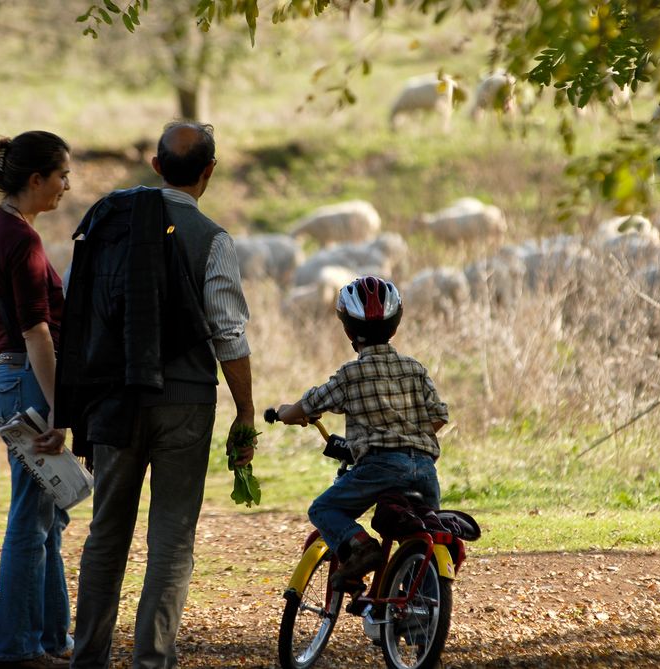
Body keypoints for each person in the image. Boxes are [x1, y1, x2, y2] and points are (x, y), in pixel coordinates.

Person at [56, 121, 256, 669]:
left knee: (106, 532)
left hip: (114, 401)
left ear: (157, 166)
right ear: (208, 173)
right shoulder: (213, 240)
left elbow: (74, 305)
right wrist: (245, 410)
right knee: (171, 539)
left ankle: (88, 658)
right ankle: (152, 661)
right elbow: (229, 334)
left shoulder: (107, 222)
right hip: (186, 405)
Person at [273, 276, 448, 591]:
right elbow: (439, 416)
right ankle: (418, 606)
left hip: (379, 468)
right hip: (424, 470)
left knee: (323, 508)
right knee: (422, 534)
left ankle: (362, 548)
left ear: (348, 331)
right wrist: (406, 435)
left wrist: (286, 413)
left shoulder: (351, 375)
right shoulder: (415, 369)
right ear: (395, 326)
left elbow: (310, 403)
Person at [0, 130, 74, 669]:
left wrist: (3, 370)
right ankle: (14, 649)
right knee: (30, 519)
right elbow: (38, 333)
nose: (65, 186)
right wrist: (61, 412)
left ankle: (52, 640)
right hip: (28, 380)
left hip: (1, 377)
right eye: (60, 176)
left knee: (47, 514)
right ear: (35, 179)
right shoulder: (23, 240)